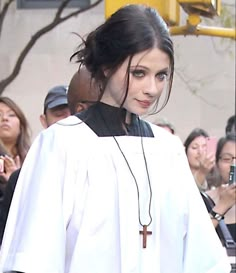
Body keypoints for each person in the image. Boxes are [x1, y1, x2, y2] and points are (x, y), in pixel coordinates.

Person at [0, 4, 230, 273]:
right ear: (108, 66)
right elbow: (34, 255)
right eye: (139, 73)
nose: (152, 89)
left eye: (161, 75)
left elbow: (202, 257)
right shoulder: (61, 144)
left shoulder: (167, 149)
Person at [205, 133, 236, 240]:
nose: (233, 164)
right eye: (227, 159)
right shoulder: (204, 199)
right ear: (217, 162)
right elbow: (197, 240)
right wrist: (222, 206)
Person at [0, 97, 31, 199]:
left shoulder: (33, 159)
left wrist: (14, 180)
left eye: (11, 114)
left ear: (21, 125)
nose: (4, 118)